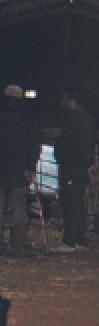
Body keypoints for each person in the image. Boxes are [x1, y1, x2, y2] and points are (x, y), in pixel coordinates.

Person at [52, 87, 98, 251]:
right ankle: (78, 238)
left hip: (72, 167)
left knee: (71, 202)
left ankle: (70, 240)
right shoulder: (86, 119)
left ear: (72, 101)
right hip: (78, 167)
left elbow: (75, 145)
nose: (63, 103)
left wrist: (62, 155)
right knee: (77, 202)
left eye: (65, 99)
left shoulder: (75, 120)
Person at [0, 84, 41, 257]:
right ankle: (17, 243)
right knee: (19, 207)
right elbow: (34, 143)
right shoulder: (27, 117)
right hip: (19, 169)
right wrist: (30, 166)